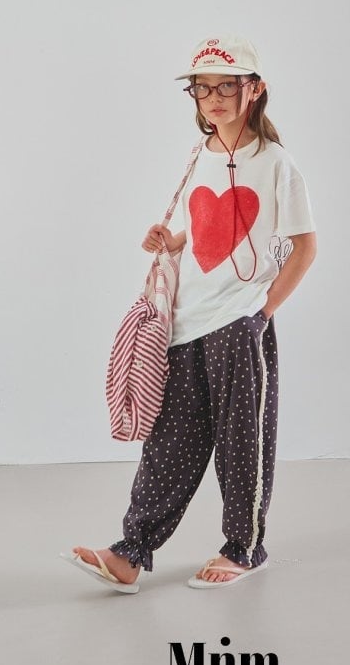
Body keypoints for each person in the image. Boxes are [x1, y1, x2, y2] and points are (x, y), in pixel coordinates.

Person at [64, 35, 316, 590]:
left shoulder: (277, 164)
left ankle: (244, 549)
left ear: (255, 90)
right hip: (186, 321)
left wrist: (262, 312)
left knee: (242, 442)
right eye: (203, 88)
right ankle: (131, 552)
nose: (214, 98)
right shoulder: (200, 155)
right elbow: (207, 228)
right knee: (168, 444)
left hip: (240, 324)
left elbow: (305, 247)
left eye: (226, 86)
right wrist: (171, 240)